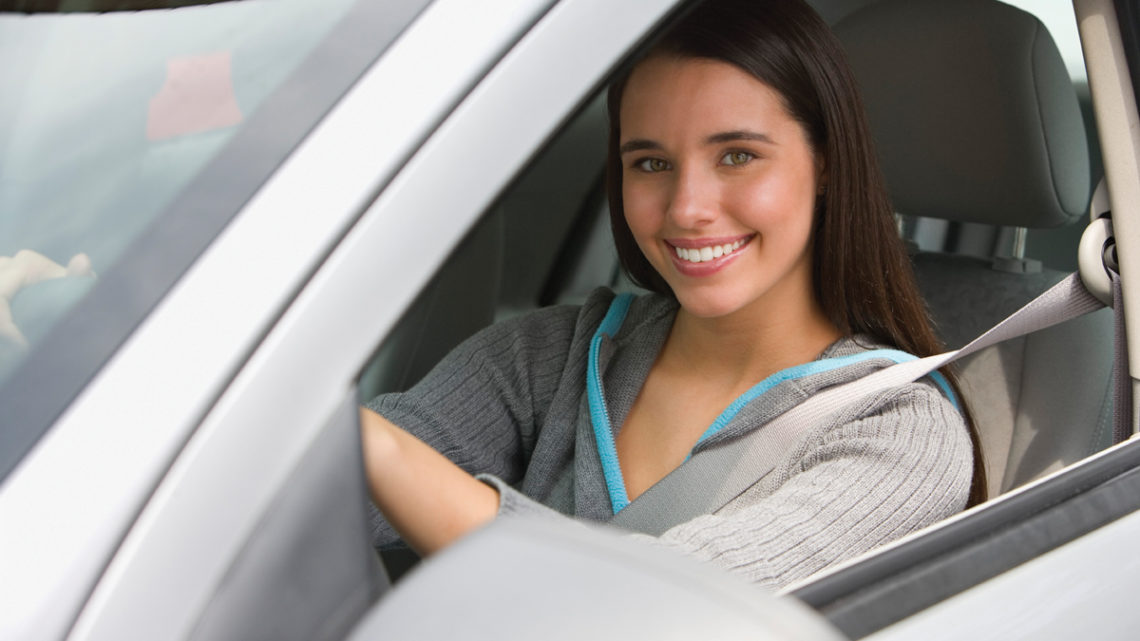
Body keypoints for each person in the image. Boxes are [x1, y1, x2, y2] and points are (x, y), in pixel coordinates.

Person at [359, 0, 984, 590]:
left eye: (737, 155)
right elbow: (313, 499)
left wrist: (378, 450)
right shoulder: (548, 358)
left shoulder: (900, 436)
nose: (686, 209)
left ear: (824, 162)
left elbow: (646, 609)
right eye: (651, 164)